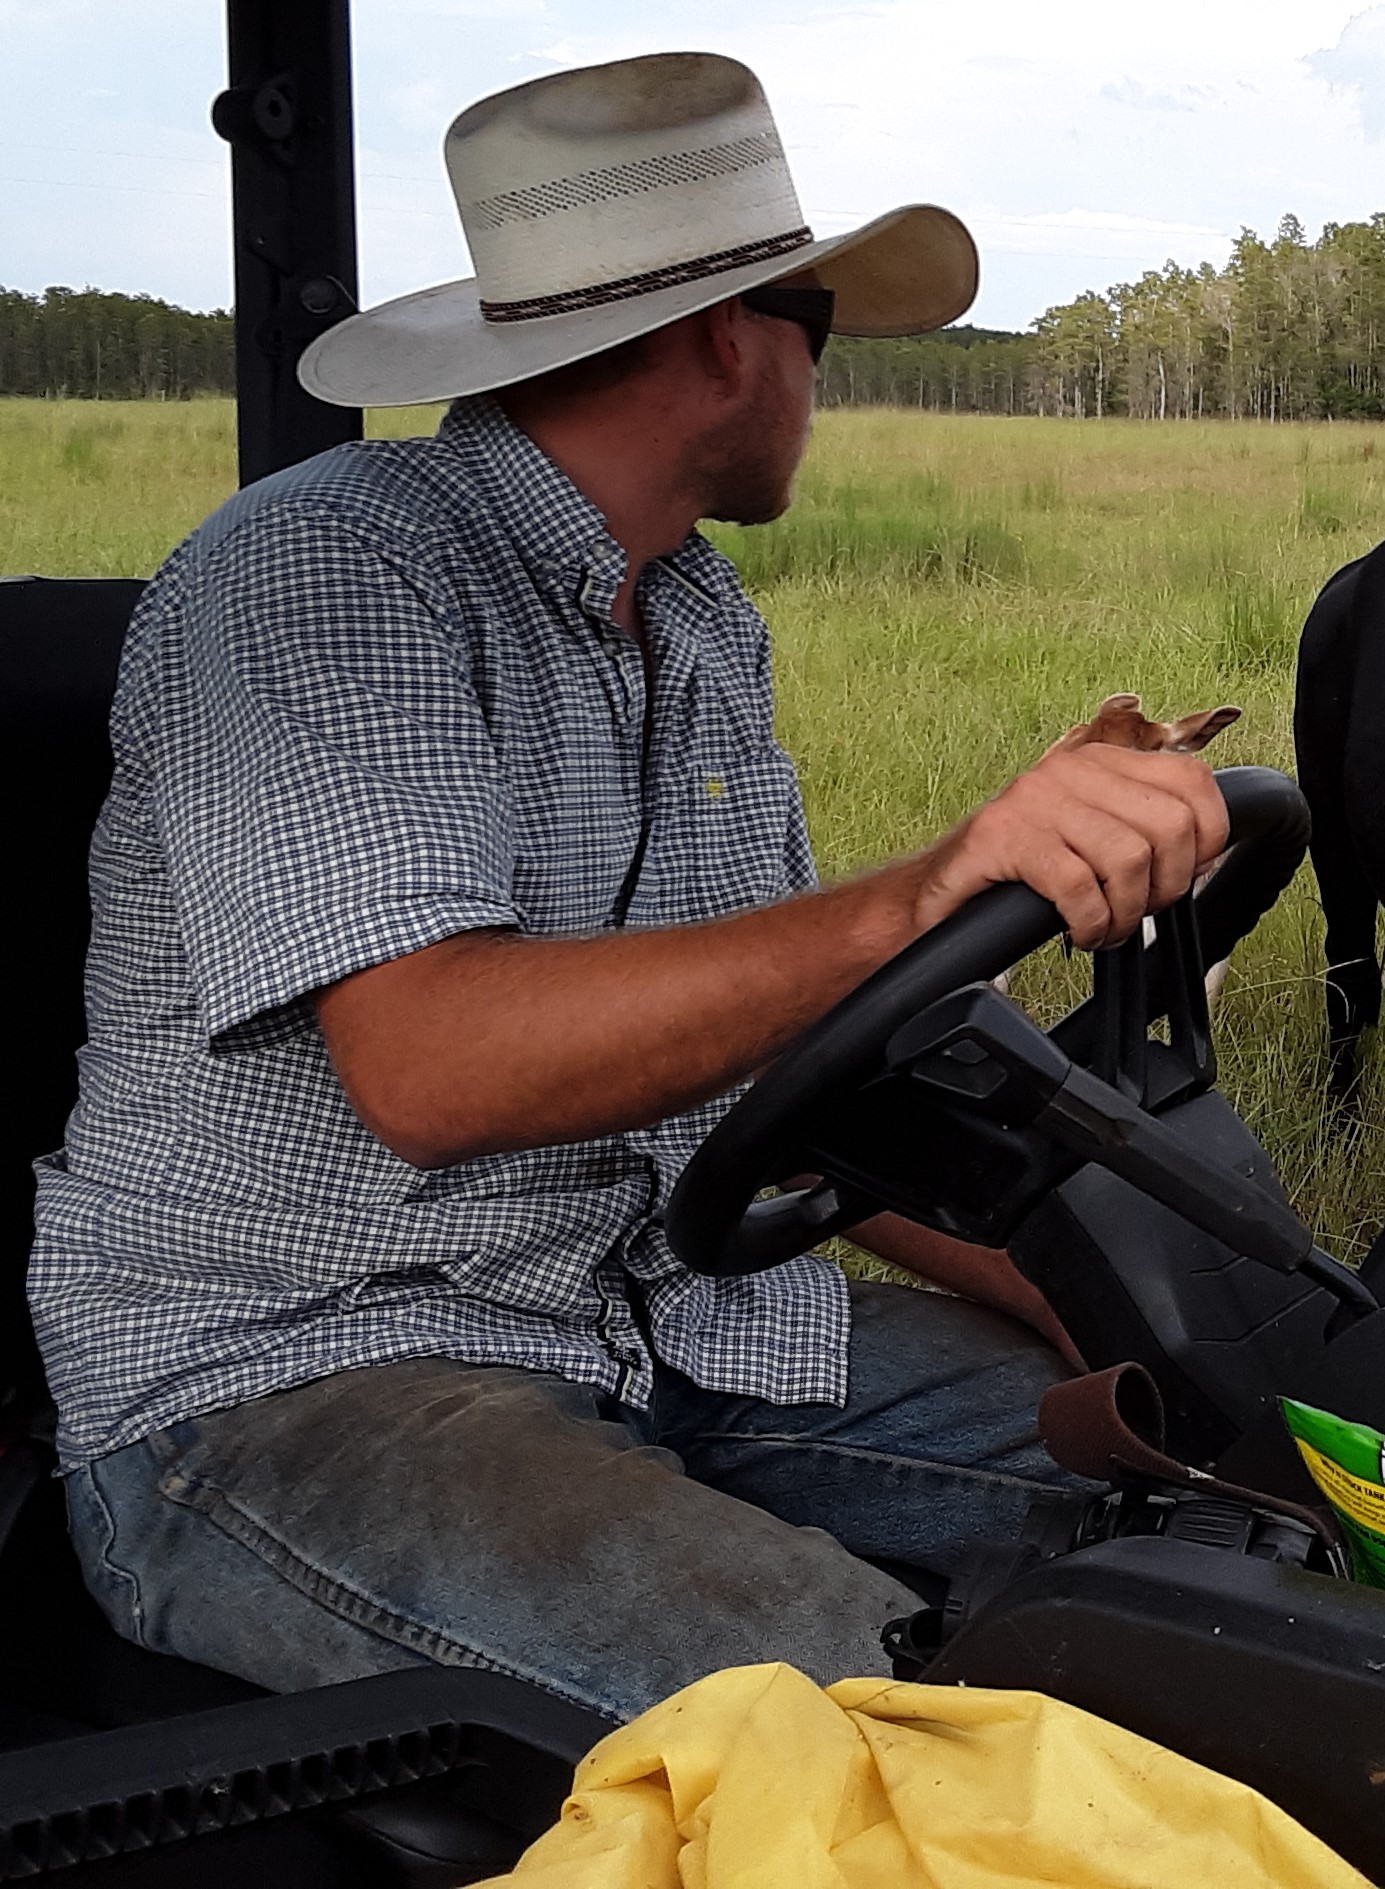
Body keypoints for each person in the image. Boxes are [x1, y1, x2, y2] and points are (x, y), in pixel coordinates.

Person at [27, 52, 1227, 1725]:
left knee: (1212, 1476)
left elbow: (799, 1067)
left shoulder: (696, 620)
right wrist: (935, 877)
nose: (826, 382)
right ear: (740, 338)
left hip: (662, 1321)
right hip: (290, 1383)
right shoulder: (320, 574)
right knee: (867, 1705)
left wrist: (1087, 1272)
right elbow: (435, 1068)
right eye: (820, 332)